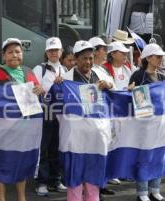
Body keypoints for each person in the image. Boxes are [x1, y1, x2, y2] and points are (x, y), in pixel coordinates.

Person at [0, 38, 44, 201]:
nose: (14, 55)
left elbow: (38, 96)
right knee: (1, 163)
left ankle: (21, 197)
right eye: (10, 52)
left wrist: (40, 90)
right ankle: (1, 198)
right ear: (4, 55)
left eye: (17, 51)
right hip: (2, 127)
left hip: (24, 127)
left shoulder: (29, 71)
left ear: (22, 54)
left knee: (20, 162)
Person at [62, 40, 113, 201]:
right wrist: (55, 86)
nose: (88, 62)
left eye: (91, 58)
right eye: (84, 58)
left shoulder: (100, 74)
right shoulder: (66, 79)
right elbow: (55, 104)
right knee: (75, 178)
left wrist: (110, 85)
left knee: (92, 178)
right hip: (75, 138)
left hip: (95, 138)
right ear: (76, 59)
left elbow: (115, 92)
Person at [129, 43, 165, 201]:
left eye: (161, 57)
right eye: (158, 56)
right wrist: (130, 91)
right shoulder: (138, 76)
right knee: (144, 157)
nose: (161, 59)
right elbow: (130, 97)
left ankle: (155, 189)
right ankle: (142, 193)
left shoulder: (163, 77)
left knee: (158, 157)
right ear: (148, 58)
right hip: (144, 125)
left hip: (160, 125)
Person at [32, 37, 67, 197]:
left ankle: (55, 179)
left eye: (56, 50)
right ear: (46, 52)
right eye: (51, 50)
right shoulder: (39, 69)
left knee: (56, 147)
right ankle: (41, 182)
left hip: (61, 114)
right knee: (44, 148)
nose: (54, 53)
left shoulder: (65, 70)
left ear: (61, 52)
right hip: (45, 113)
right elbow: (33, 89)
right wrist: (40, 89)